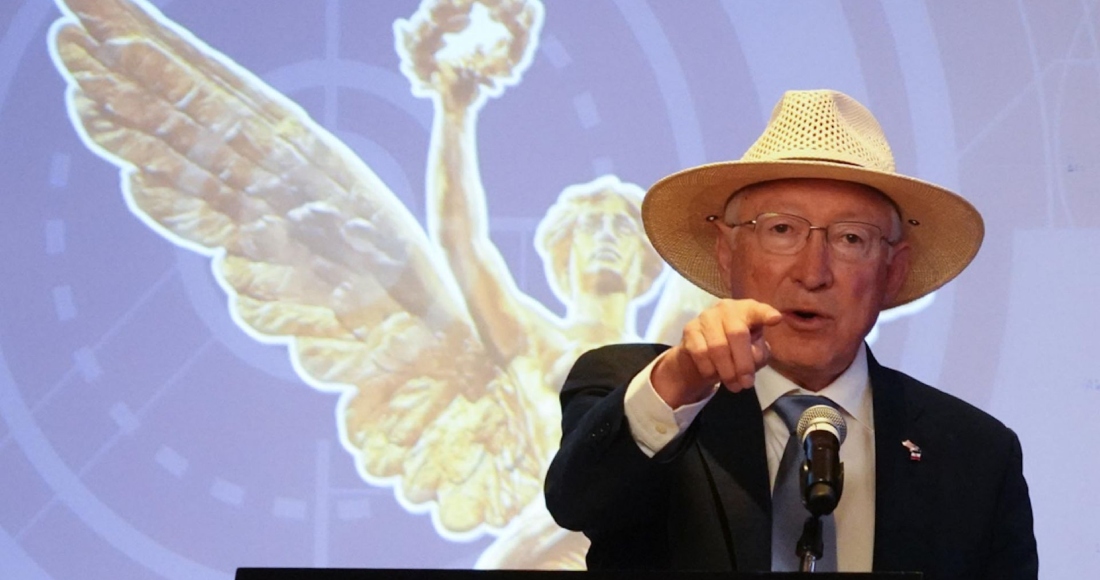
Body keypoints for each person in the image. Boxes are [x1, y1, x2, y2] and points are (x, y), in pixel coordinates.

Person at [544, 89, 1038, 579]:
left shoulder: (976, 454)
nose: (812, 272)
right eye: (781, 230)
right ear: (726, 253)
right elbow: (575, 502)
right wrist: (682, 378)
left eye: (851, 238)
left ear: (893, 271)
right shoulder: (644, 387)